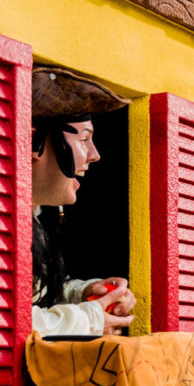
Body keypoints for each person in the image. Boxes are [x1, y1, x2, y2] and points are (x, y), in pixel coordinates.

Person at [30, 66, 136, 336]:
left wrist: (83, 293)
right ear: (34, 142)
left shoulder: (36, 222)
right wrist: (89, 319)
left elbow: (32, 297)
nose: (95, 155)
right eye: (84, 139)